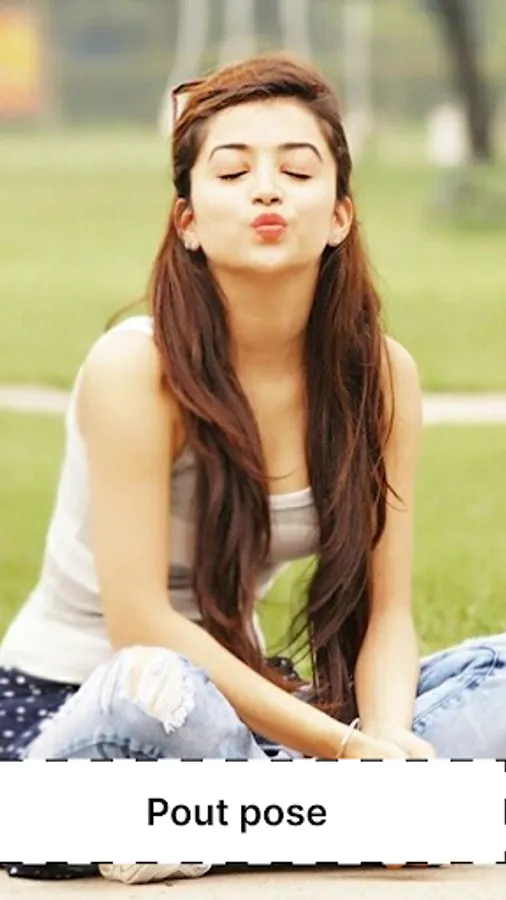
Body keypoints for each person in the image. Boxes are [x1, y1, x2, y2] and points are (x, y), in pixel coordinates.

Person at [0, 54, 505, 886]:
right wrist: (343, 750)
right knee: (165, 688)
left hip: (262, 718)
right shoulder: (135, 369)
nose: (267, 191)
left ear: (339, 215)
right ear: (188, 220)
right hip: (95, 706)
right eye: (233, 173)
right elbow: (141, 625)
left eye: (297, 171)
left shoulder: (382, 376)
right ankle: (287, 814)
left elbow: (387, 613)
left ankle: (220, 819)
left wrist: (384, 750)